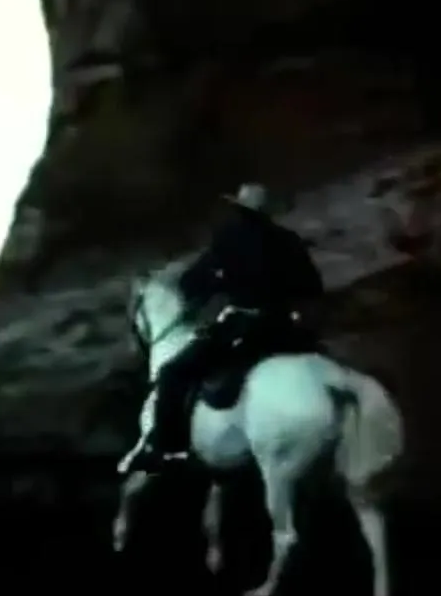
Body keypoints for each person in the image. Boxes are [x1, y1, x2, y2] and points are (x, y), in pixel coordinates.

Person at [120, 182, 325, 474]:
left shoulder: (231, 237)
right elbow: (313, 287)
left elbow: (194, 282)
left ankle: (170, 449)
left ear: (240, 209)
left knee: (173, 373)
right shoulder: (289, 240)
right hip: (286, 327)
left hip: (245, 325)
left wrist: (208, 289)